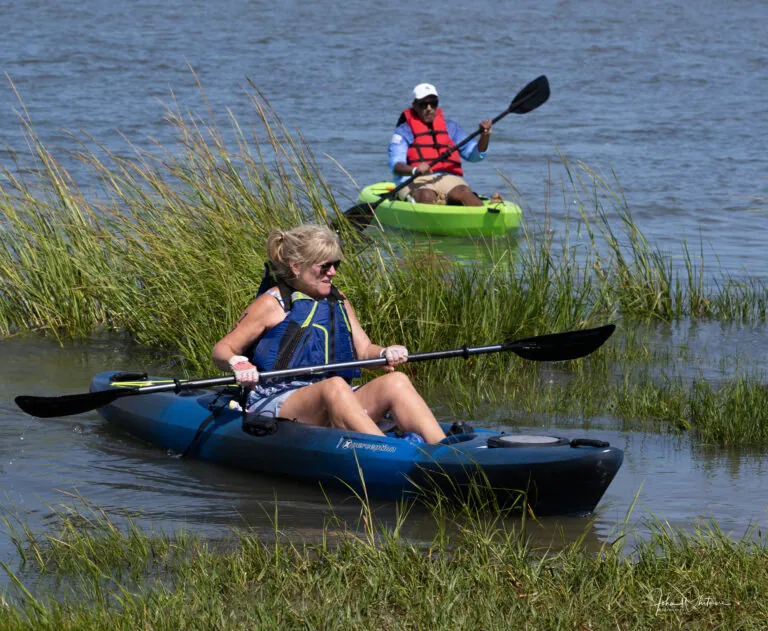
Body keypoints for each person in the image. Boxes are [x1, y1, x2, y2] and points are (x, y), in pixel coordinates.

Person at [212, 224, 447, 444]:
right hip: (277, 397)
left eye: (336, 264)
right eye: (324, 266)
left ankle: (444, 451)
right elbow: (222, 350)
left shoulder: (338, 300)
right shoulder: (272, 304)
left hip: (336, 395)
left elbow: (365, 351)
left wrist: (386, 352)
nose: (332, 272)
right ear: (296, 266)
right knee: (333, 386)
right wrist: (237, 363)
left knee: (396, 381)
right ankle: (390, 453)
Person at [388, 82, 493, 206]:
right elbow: (396, 165)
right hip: (415, 180)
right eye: (423, 104)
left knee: (465, 194)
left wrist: (484, 136)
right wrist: (415, 170)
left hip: (447, 178)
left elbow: (475, 155)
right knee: (426, 196)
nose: (429, 108)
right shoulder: (403, 131)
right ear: (415, 106)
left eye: (433, 104)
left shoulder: (451, 128)